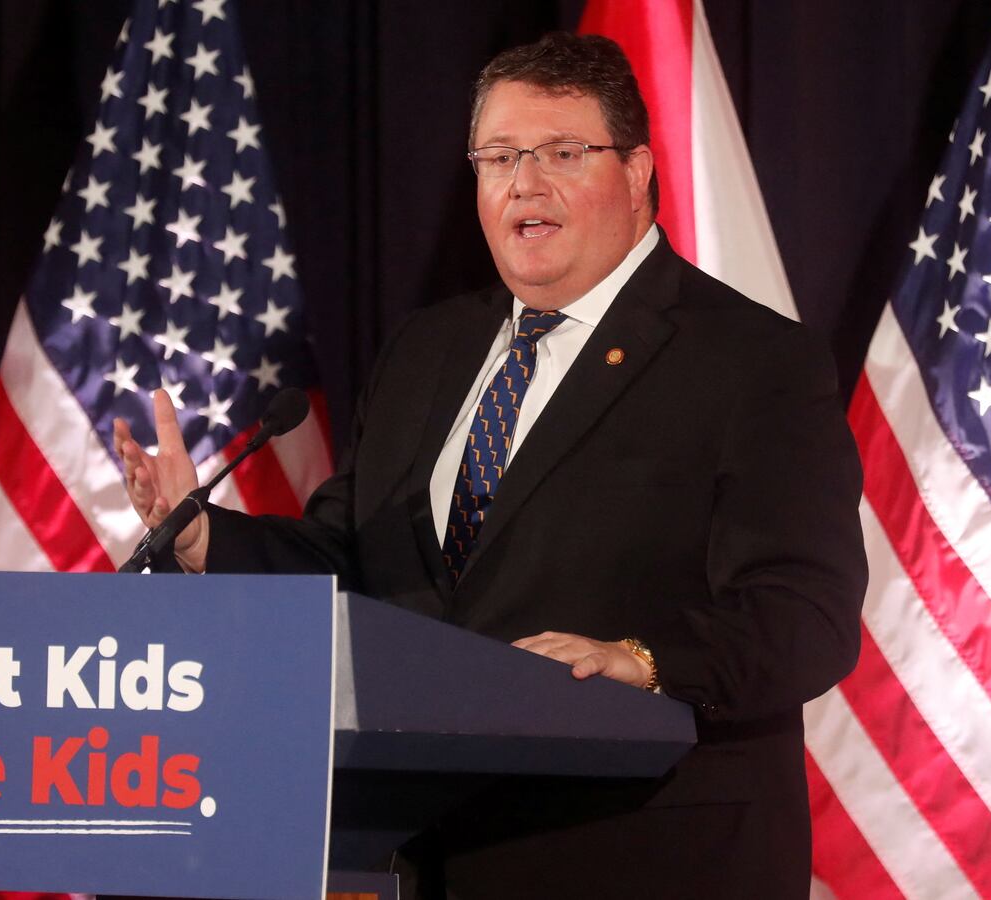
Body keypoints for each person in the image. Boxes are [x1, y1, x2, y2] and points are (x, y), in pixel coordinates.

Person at [116, 32, 867, 900]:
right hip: (426, 857)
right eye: (500, 156)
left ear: (637, 172)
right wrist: (205, 537)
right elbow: (353, 556)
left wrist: (641, 657)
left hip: (641, 857)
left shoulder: (748, 360)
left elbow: (805, 614)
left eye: (562, 153)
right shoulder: (427, 350)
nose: (526, 184)